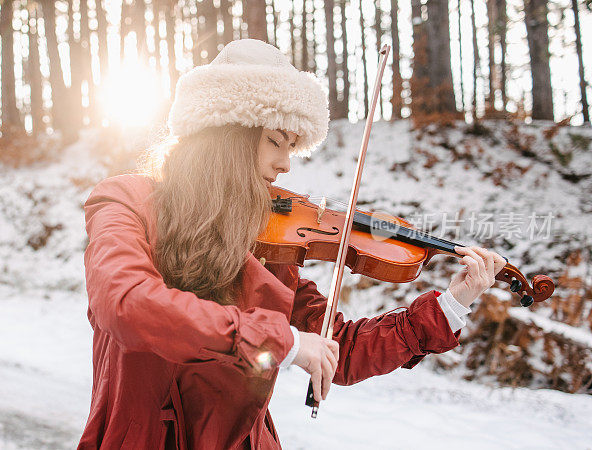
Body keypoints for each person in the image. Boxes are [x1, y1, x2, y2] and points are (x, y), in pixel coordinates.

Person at [78, 39, 506, 449]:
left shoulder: (267, 240)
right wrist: (278, 342)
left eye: (293, 147)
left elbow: (342, 347)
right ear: (227, 135)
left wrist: (451, 303)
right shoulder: (126, 201)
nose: (285, 165)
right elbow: (127, 305)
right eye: (274, 141)